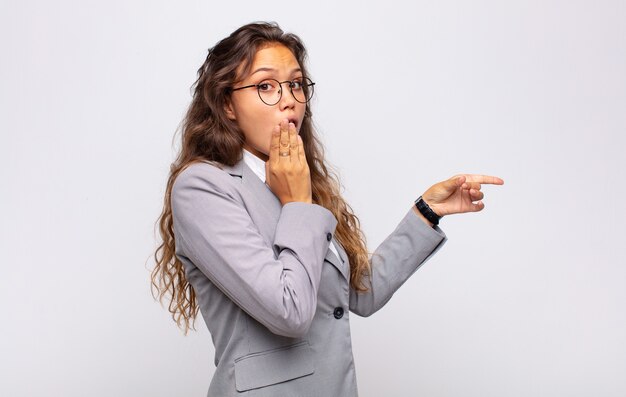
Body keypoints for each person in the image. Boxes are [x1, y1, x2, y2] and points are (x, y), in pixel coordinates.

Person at [152, 21, 503, 397]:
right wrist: (297, 201)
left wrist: (426, 211)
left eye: (296, 84)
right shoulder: (203, 187)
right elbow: (288, 311)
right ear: (226, 104)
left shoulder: (296, 180)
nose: (288, 99)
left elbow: (357, 295)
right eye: (266, 86)